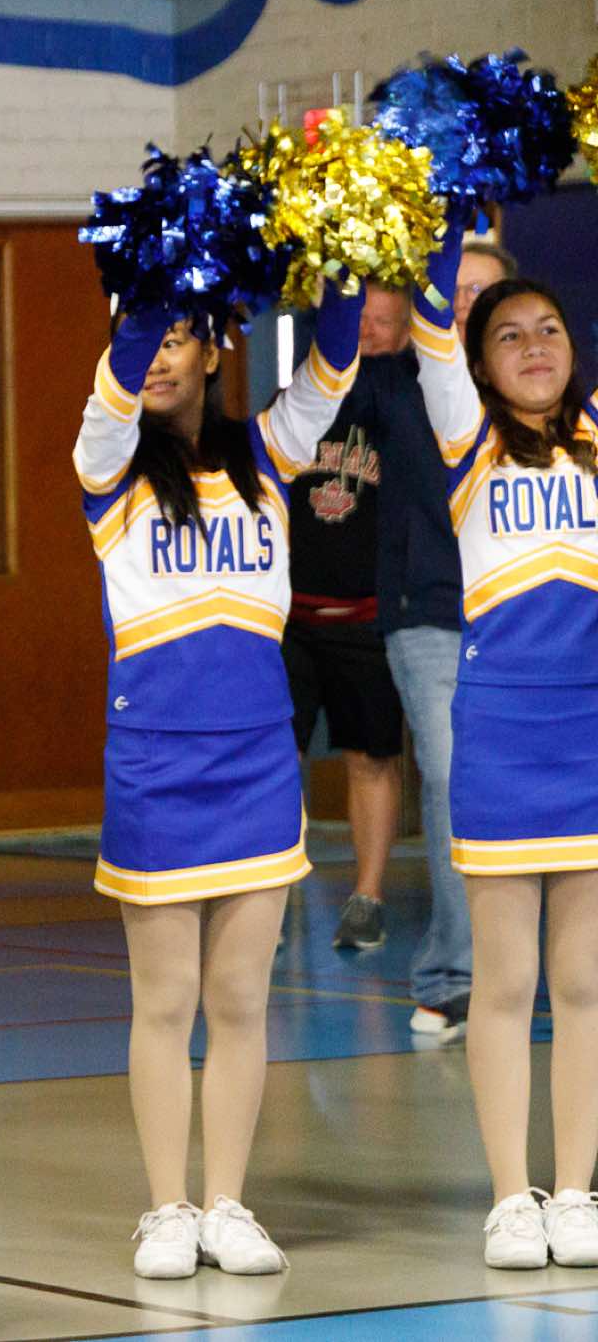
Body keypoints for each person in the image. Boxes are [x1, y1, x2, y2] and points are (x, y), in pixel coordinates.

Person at [76, 283, 363, 1280]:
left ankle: (227, 1203)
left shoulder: (269, 454)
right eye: (145, 337)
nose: (157, 355)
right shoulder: (106, 461)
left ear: (215, 350)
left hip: (256, 761)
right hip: (155, 761)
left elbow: (334, 362)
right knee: (164, 1000)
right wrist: (157, 273)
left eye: (178, 338)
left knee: (240, 997)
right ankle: (165, 1208)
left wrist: (345, 254)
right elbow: (118, 377)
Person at [408, 226, 598, 1270]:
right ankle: (508, 1196)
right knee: (506, 980)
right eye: (509, 335)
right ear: (478, 365)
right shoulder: (468, 443)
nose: (533, 346)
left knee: (584, 983)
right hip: (500, 734)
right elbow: (430, 322)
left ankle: (575, 1190)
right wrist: (449, 206)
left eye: (549, 329)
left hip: (589, 732)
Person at [376, 245, 518, 1036]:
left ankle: (536, 964)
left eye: (482, 290)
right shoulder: (398, 383)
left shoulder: (541, 395)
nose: (466, 302)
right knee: (452, 776)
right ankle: (452, 974)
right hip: (429, 611)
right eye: (454, 289)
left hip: (521, 617)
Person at [281, 285, 410, 950]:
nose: (366, 330)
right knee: (277, 759)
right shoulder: (298, 401)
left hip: (367, 616)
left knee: (371, 757)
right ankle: (266, 898)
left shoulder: (410, 407)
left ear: (408, 330)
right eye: (358, 318)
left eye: (381, 321)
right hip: (292, 616)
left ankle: (368, 897)